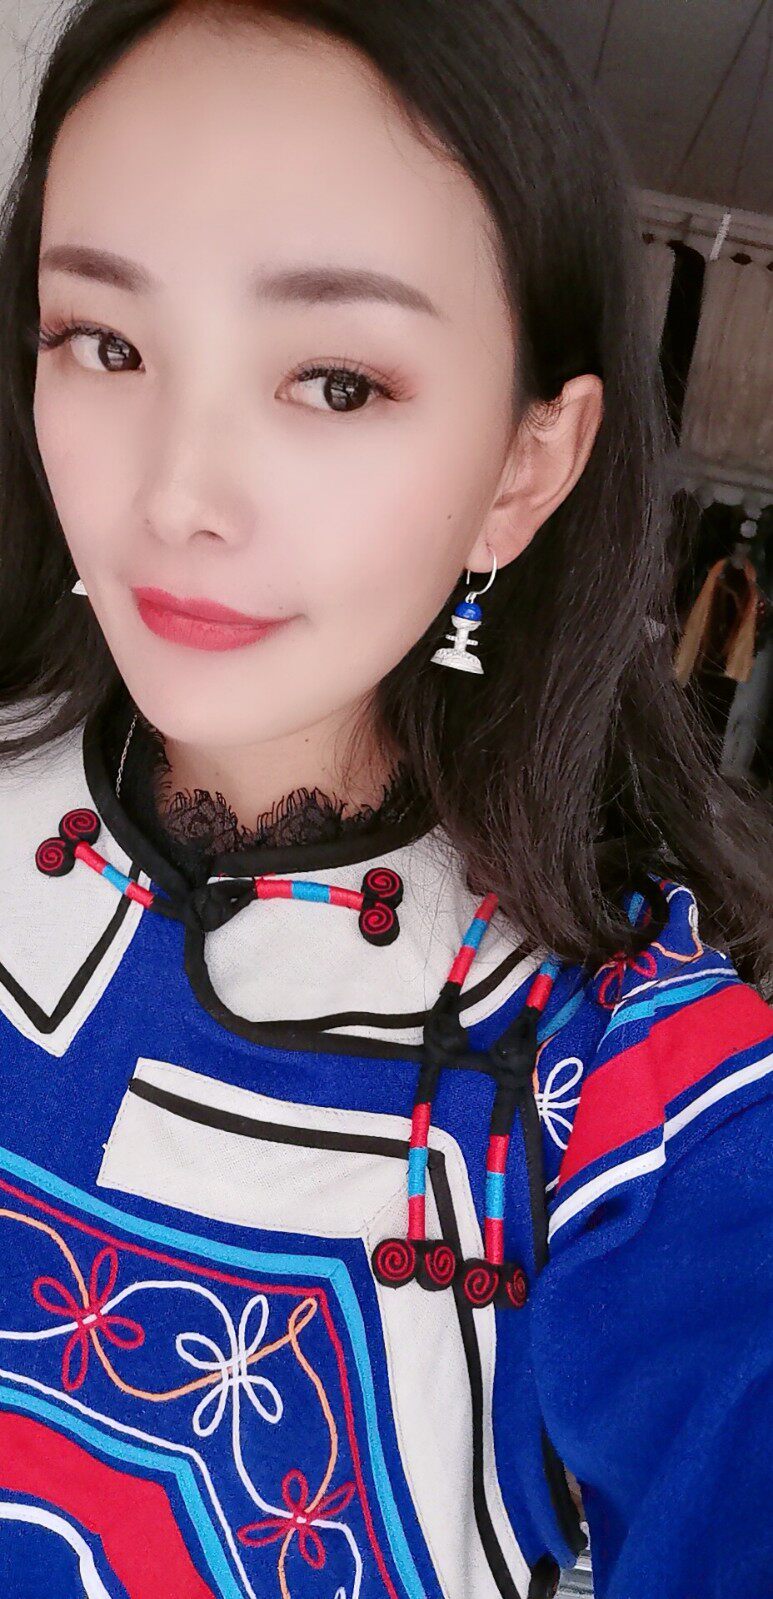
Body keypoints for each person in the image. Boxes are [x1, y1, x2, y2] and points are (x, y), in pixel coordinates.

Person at [0, 1, 770, 1595]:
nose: (175, 496)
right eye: (106, 343)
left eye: (338, 381)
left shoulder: (628, 1091)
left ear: (522, 469)